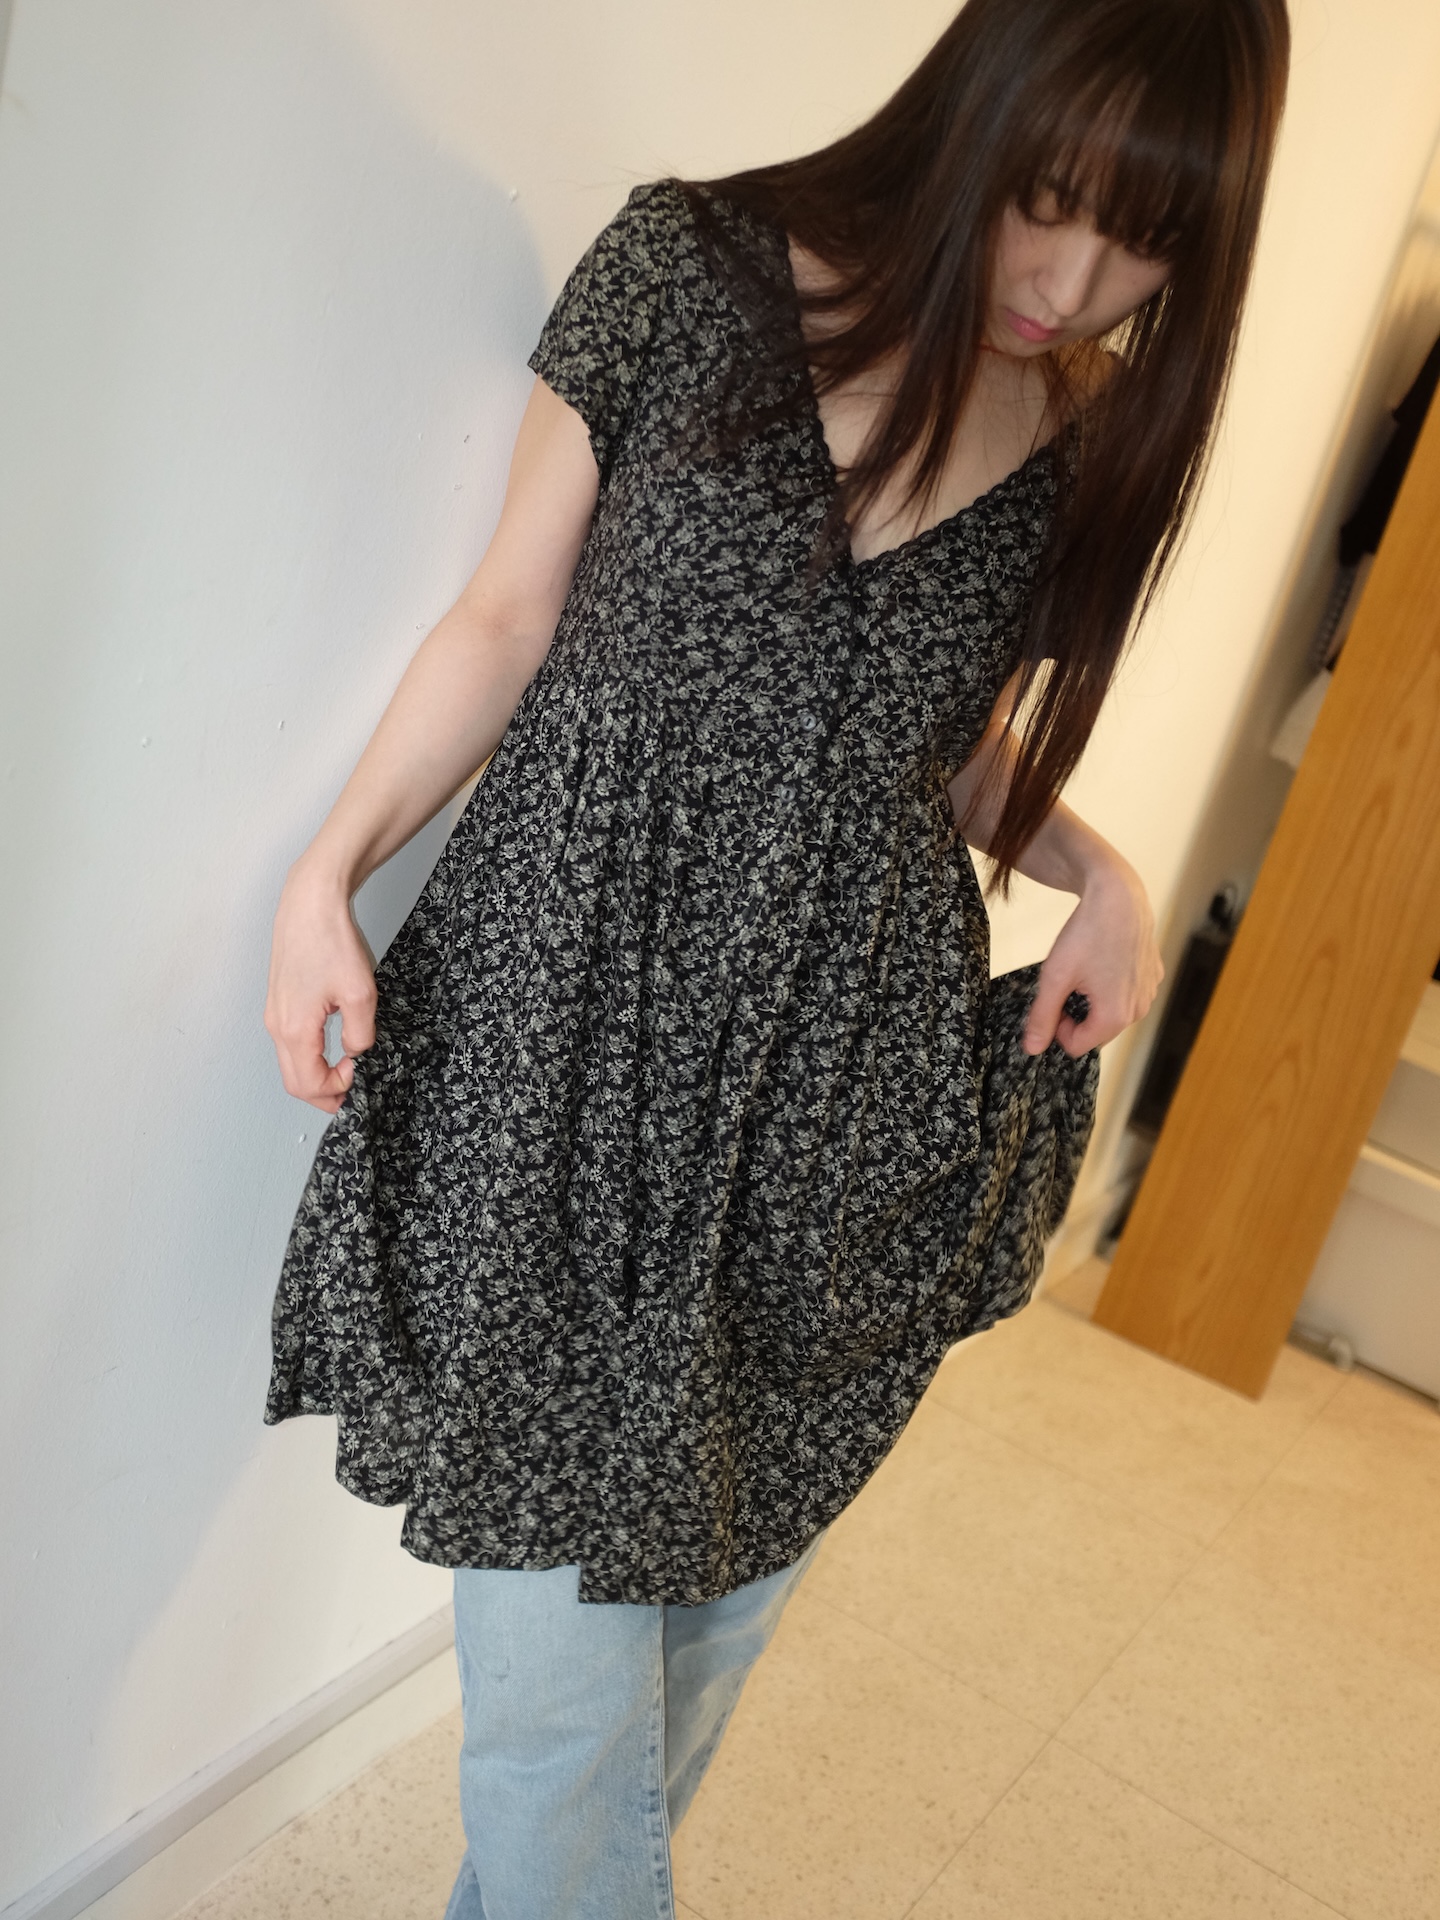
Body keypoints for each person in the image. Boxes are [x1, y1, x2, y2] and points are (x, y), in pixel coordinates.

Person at [262, 0, 1290, 1912]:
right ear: (979, 109)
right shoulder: (689, 267)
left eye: (1145, 242)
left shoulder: (1079, 443)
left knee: (701, 1645)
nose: (1072, 284)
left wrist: (1109, 872)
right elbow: (507, 620)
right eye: (1050, 197)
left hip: (837, 1103)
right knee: (563, 1717)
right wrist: (330, 874)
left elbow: (932, 748)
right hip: (569, 1054)